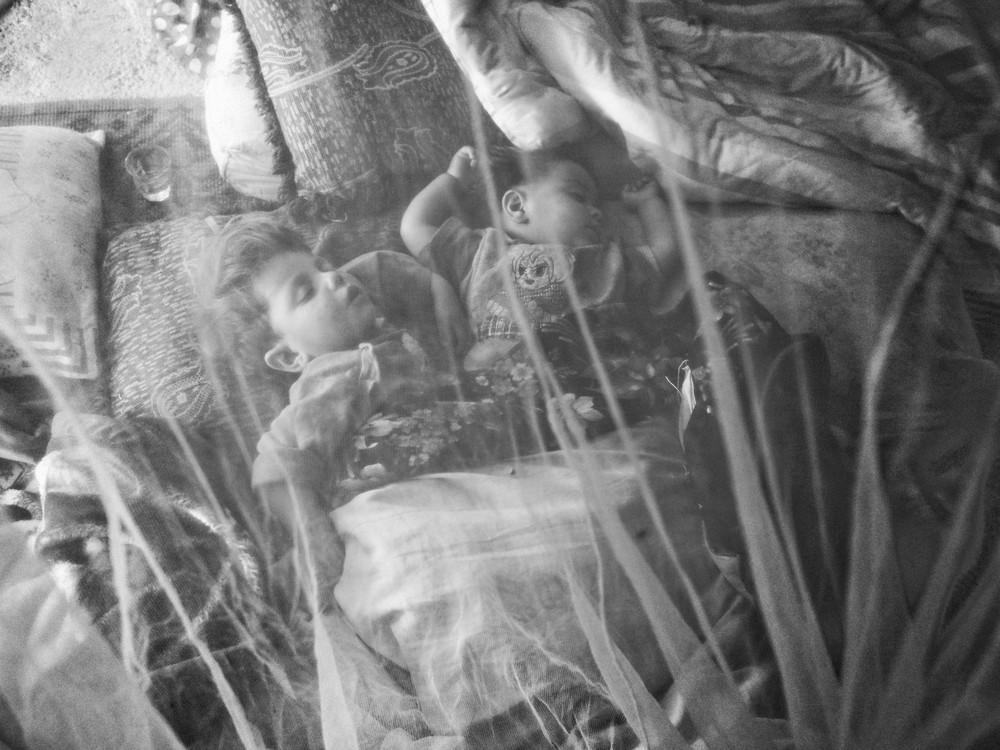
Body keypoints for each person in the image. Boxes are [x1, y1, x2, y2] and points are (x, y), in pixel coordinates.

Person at [401, 145, 683, 372]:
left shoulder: (600, 261)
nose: (596, 212)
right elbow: (415, 225)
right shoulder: (481, 251)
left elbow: (665, 252)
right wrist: (454, 178)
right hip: (506, 389)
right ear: (516, 205)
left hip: (598, 387)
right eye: (578, 196)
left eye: (595, 204)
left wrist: (647, 202)